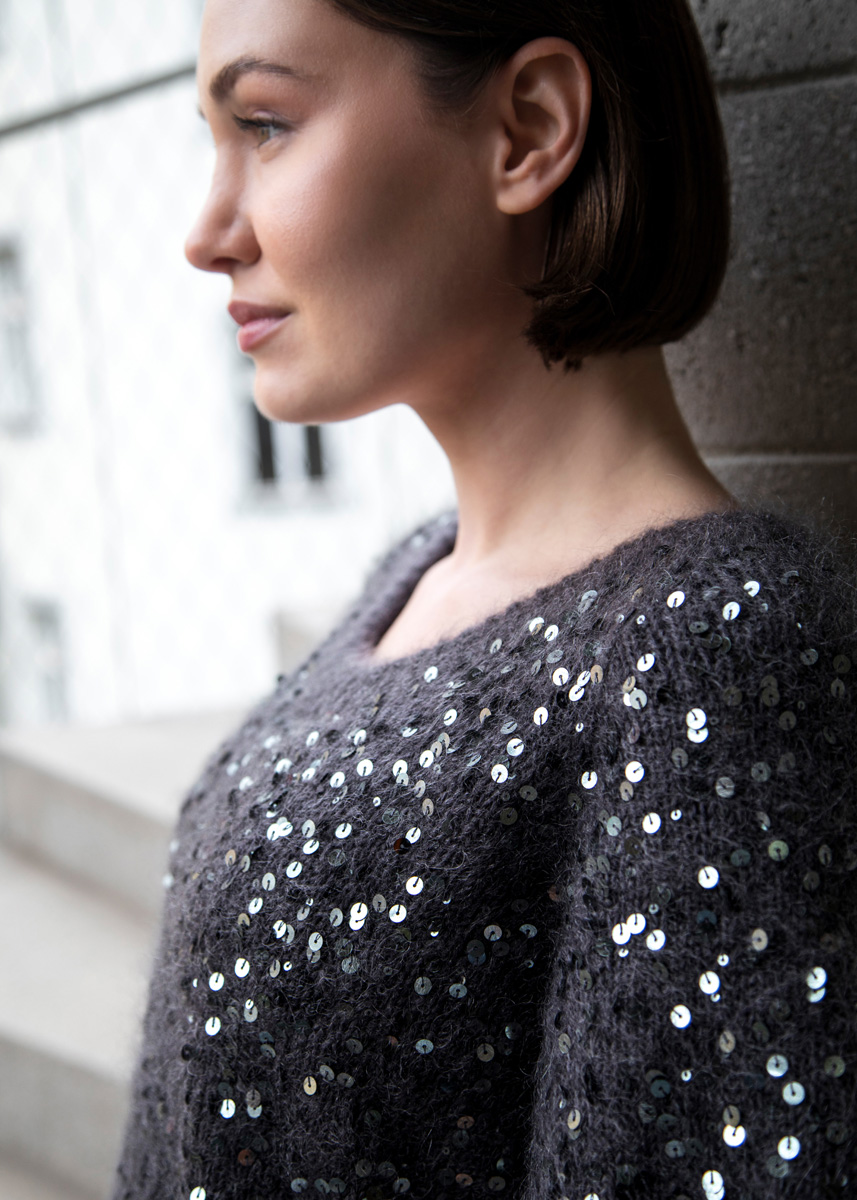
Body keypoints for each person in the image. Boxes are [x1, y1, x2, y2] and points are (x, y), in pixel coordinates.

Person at [111, 1, 857, 1197]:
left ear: (529, 130)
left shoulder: (710, 651)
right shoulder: (413, 572)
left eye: (265, 125)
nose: (207, 234)